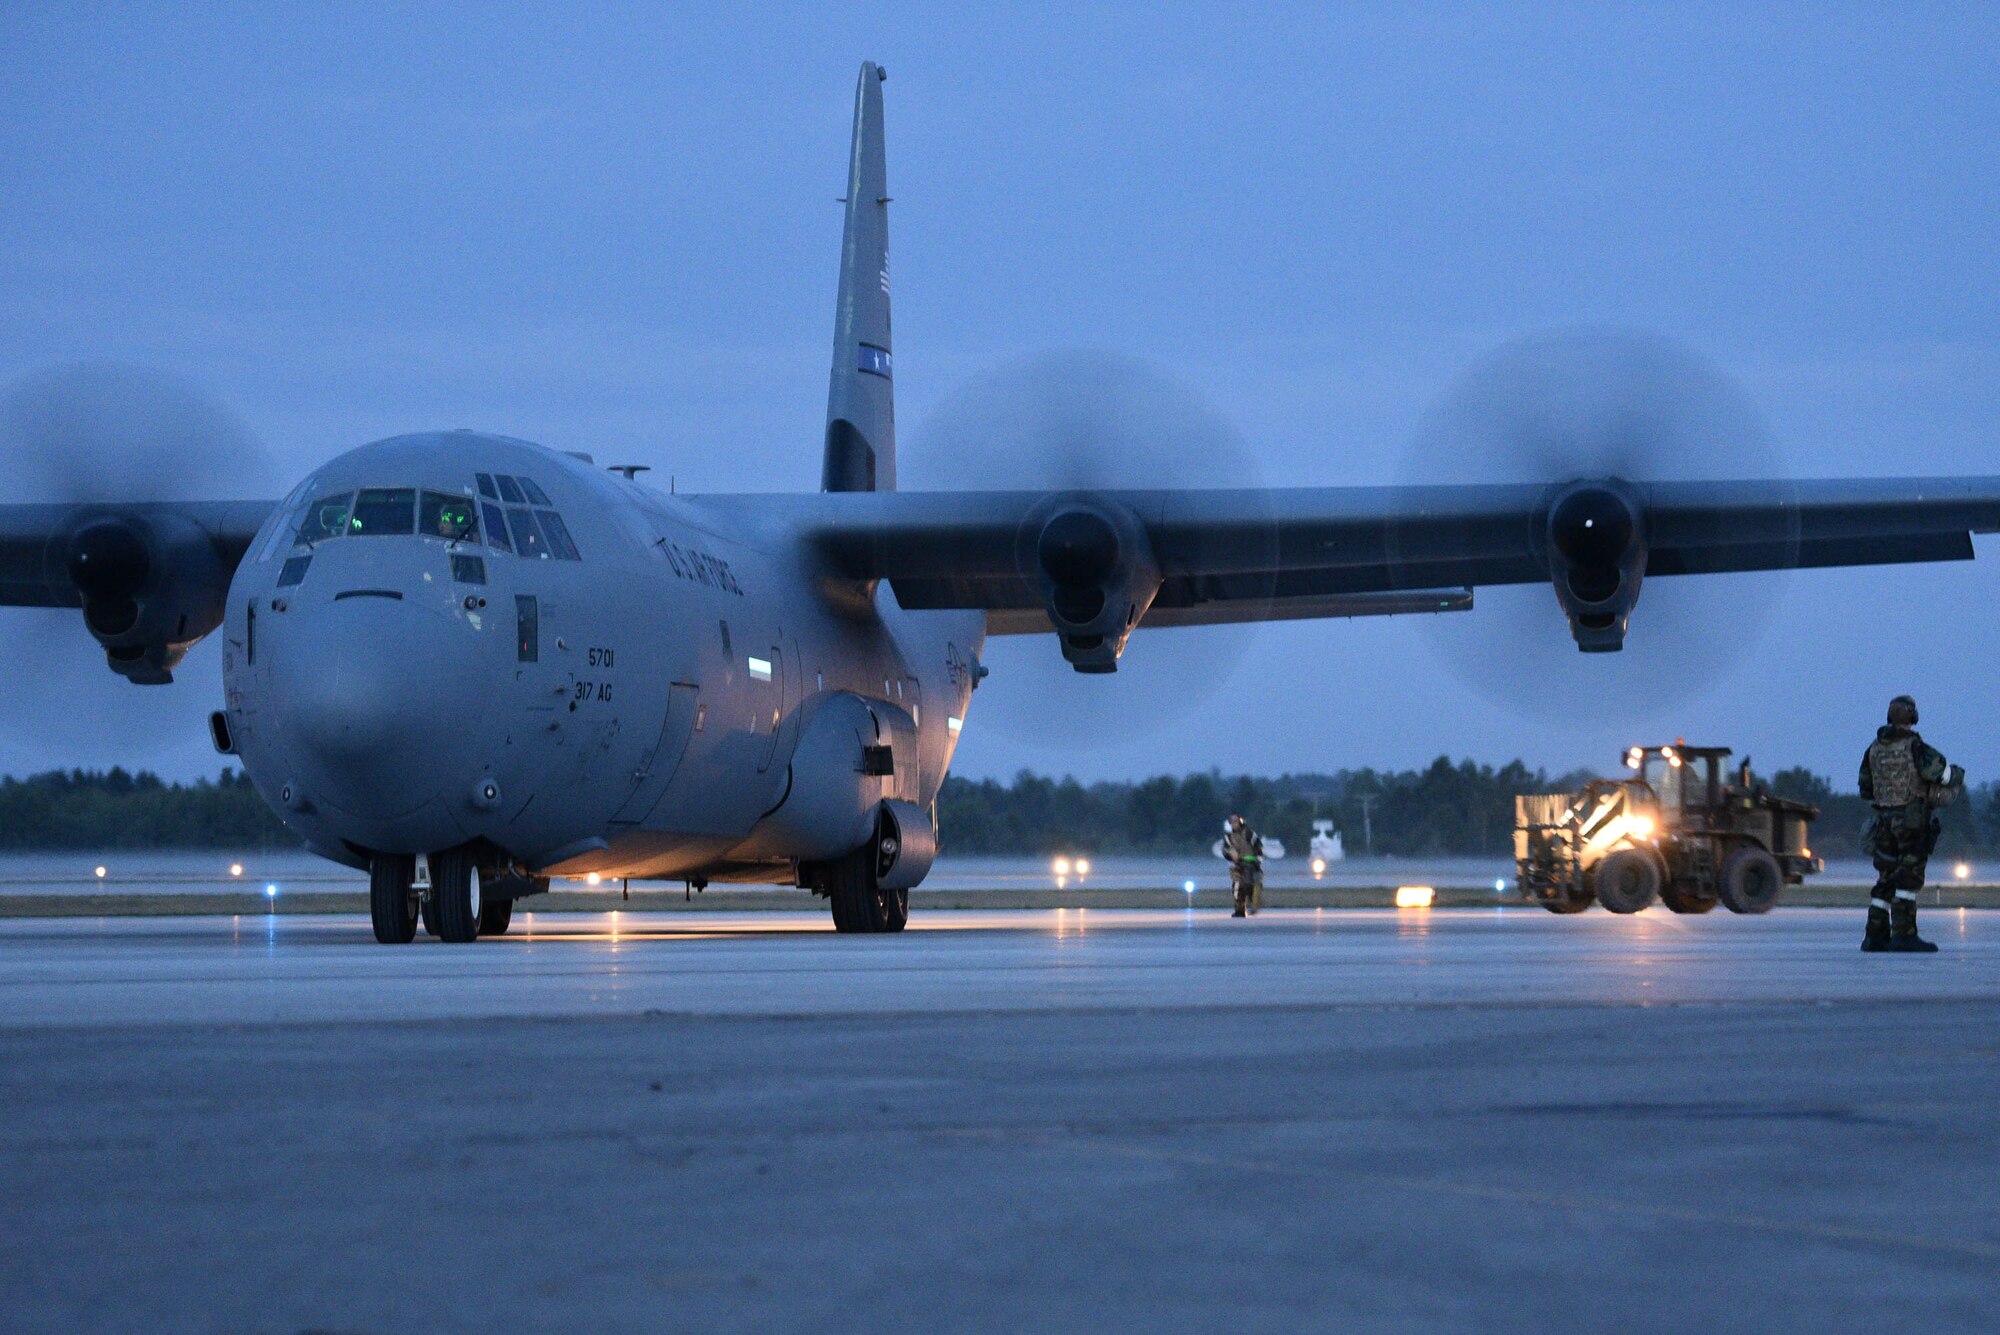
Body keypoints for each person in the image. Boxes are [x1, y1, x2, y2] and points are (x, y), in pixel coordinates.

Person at [1858, 695, 1963, 953]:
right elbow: (1943, 773)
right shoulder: (1916, 747)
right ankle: (1904, 935)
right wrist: (1958, 774)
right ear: (1913, 717)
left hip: (1882, 821)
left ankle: (1875, 935)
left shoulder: (1873, 748)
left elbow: (1865, 788)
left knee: (1885, 877)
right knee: (1908, 877)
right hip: (1911, 822)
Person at [1223, 813, 1264, 917]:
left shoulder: (1249, 833)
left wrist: (1258, 860)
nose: (1234, 824)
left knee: (1251, 885)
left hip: (1251, 864)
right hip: (1238, 865)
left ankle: (1253, 905)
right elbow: (1225, 850)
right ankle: (1240, 910)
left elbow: (1258, 846)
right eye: (1232, 822)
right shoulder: (1229, 837)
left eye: (1236, 821)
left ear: (1240, 821)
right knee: (1237, 887)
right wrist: (1230, 855)